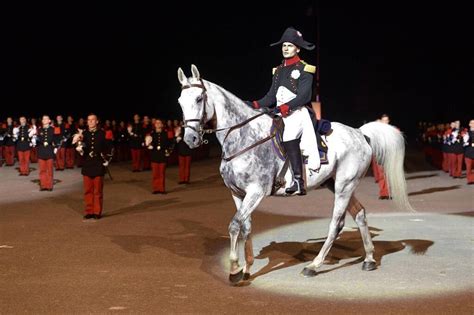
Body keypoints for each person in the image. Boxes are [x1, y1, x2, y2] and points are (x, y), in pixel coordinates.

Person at [246, 27, 317, 195]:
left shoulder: (305, 69)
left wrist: (285, 107)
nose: (285, 48)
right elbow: (270, 97)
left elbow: (304, 96)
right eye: (284, 45)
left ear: (297, 49)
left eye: (290, 45)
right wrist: (254, 104)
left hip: (298, 113)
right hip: (281, 113)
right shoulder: (277, 71)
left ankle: (298, 181)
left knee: (289, 135)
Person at [73, 114, 110, 220]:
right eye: (89, 120)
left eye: (93, 120)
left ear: (97, 121)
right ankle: (89, 211)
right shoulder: (83, 134)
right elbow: (82, 146)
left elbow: (109, 148)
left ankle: (97, 212)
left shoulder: (102, 133)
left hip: (98, 164)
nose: (90, 122)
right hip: (87, 164)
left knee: (97, 191)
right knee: (87, 190)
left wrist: (107, 160)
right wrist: (80, 149)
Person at [146, 119, 171, 194]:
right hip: (154, 155)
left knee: (161, 173)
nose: (158, 124)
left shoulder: (165, 133)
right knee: (155, 174)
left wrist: (168, 151)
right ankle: (155, 189)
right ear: (155, 125)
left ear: (162, 125)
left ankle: (162, 189)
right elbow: (150, 143)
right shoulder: (152, 134)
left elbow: (168, 144)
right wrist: (149, 146)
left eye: (159, 123)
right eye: (156, 123)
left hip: (162, 155)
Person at [36, 115, 55, 191]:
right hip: (41, 151)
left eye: (46, 119)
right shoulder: (39, 130)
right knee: (42, 170)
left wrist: (56, 147)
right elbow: (37, 140)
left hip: (49, 151)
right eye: (43, 119)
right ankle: (43, 185)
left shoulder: (53, 129)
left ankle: (49, 186)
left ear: (49, 121)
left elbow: (56, 139)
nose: (44, 120)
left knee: (49, 170)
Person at [463, 119, 474, 185]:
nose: (473, 124)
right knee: (469, 167)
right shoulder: (466, 133)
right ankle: (470, 180)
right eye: (472, 123)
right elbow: (463, 143)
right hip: (468, 152)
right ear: (469, 124)